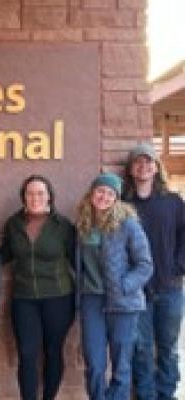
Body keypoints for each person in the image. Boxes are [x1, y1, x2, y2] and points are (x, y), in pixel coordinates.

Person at [75, 172, 153, 400]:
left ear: (116, 199)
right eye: (100, 191)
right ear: (92, 193)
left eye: (110, 193)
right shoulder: (82, 226)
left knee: (121, 365)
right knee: (95, 363)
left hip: (123, 303)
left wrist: (123, 286)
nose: (104, 197)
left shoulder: (128, 225)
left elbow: (145, 265)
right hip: (91, 300)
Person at [0, 175, 75, 400]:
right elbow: (4, 256)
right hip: (24, 298)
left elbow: (77, 260)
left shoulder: (63, 226)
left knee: (53, 352)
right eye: (30, 193)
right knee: (27, 353)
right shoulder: (13, 224)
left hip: (59, 297)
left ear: (50, 196)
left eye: (40, 193)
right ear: (23, 197)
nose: (35, 198)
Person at [123, 143, 185, 400]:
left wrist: (178, 267)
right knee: (141, 348)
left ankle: (166, 393)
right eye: (138, 161)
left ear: (156, 167)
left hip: (170, 287)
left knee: (168, 348)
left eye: (149, 161)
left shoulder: (173, 202)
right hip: (138, 292)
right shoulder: (123, 205)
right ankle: (146, 395)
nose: (144, 166)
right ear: (130, 169)